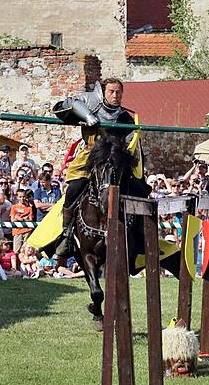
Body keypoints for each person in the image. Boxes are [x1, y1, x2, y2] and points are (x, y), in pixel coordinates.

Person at [50, 78, 142, 258]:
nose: (115, 95)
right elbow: (66, 105)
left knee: (139, 189)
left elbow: (131, 139)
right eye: (111, 92)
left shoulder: (124, 117)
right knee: (75, 188)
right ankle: (66, 234)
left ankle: (138, 236)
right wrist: (87, 115)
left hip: (115, 160)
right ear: (103, 93)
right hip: (92, 156)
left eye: (118, 92)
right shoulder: (91, 104)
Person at [10, 188, 34, 253]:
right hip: (17, 231)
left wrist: (20, 218)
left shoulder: (29, 208)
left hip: (27, 231)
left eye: (23, 197)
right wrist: (23, 219)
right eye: (20, 197)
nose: (22, 198)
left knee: (25, 250)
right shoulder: (14, 207)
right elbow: (13, 220)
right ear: (17, 197)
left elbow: (30, 220)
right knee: (16, 250)